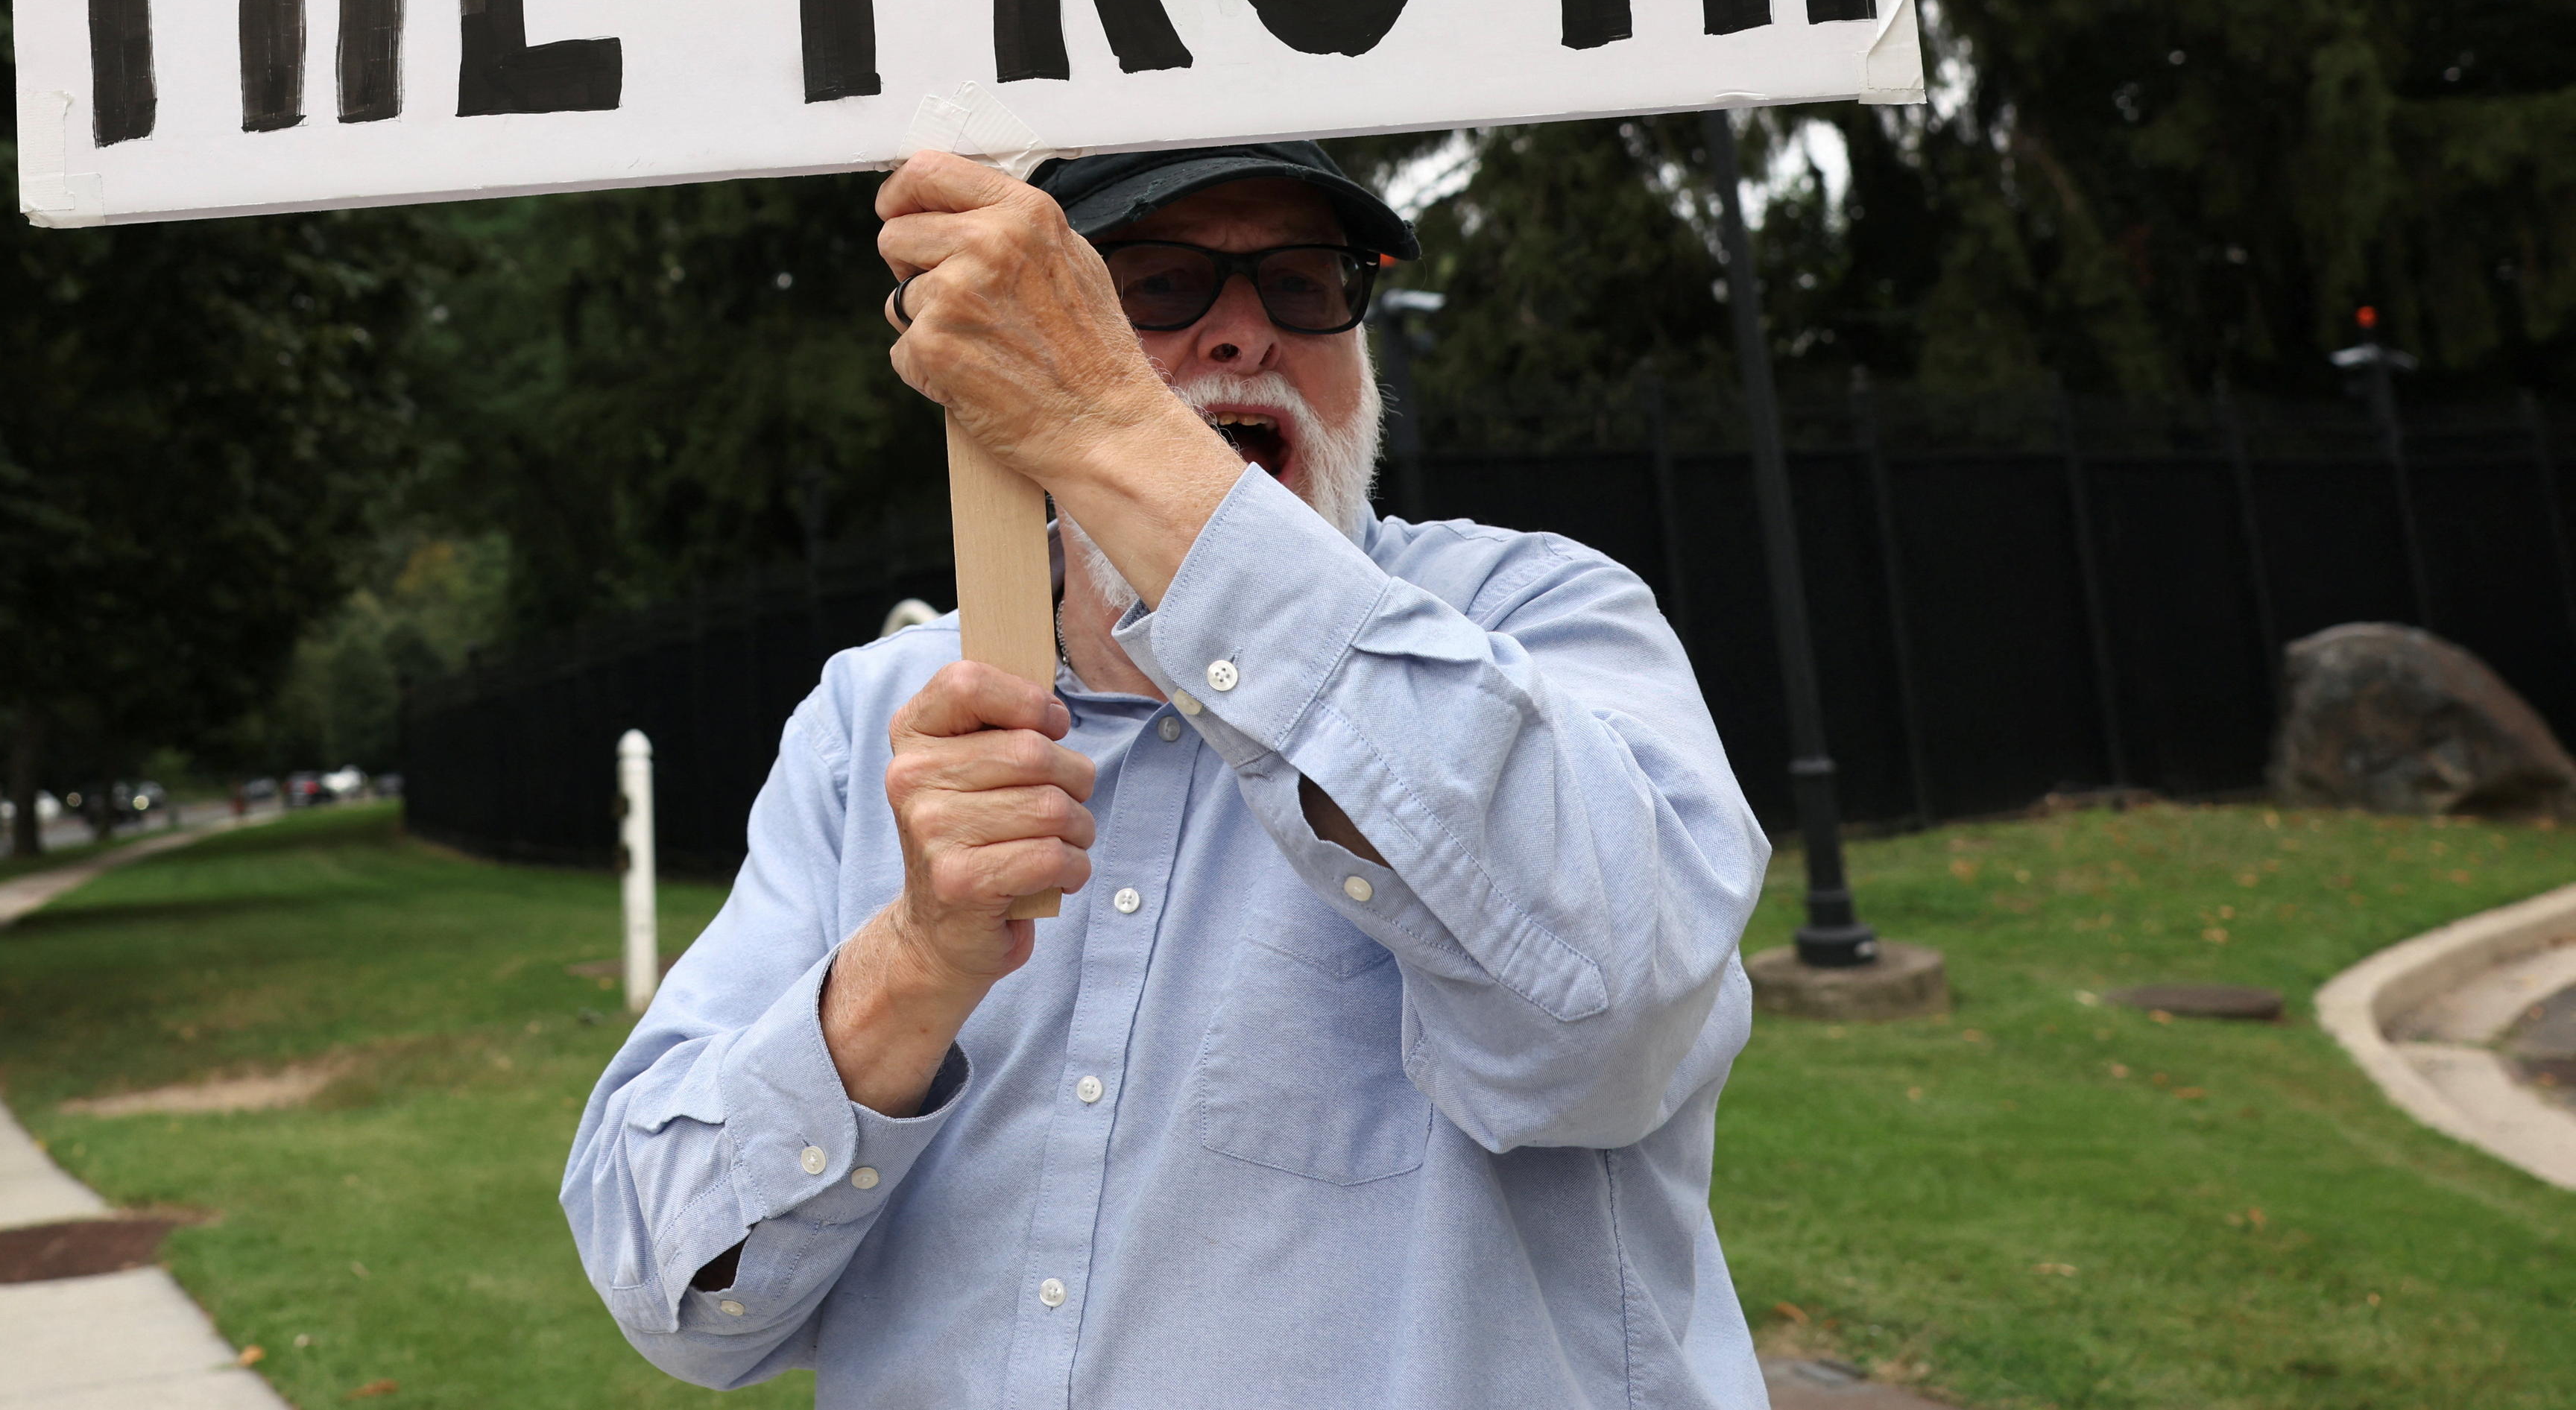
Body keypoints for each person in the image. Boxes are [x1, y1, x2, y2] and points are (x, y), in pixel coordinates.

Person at [562, 140, 1772, 1406]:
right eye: (1156, 285)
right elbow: (672, 1283)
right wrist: (916, 960)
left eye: (1306, 282)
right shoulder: (877, 715)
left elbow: (1620, 1009)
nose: (1246, 331)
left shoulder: (1540, 621)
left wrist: (1111, 425)